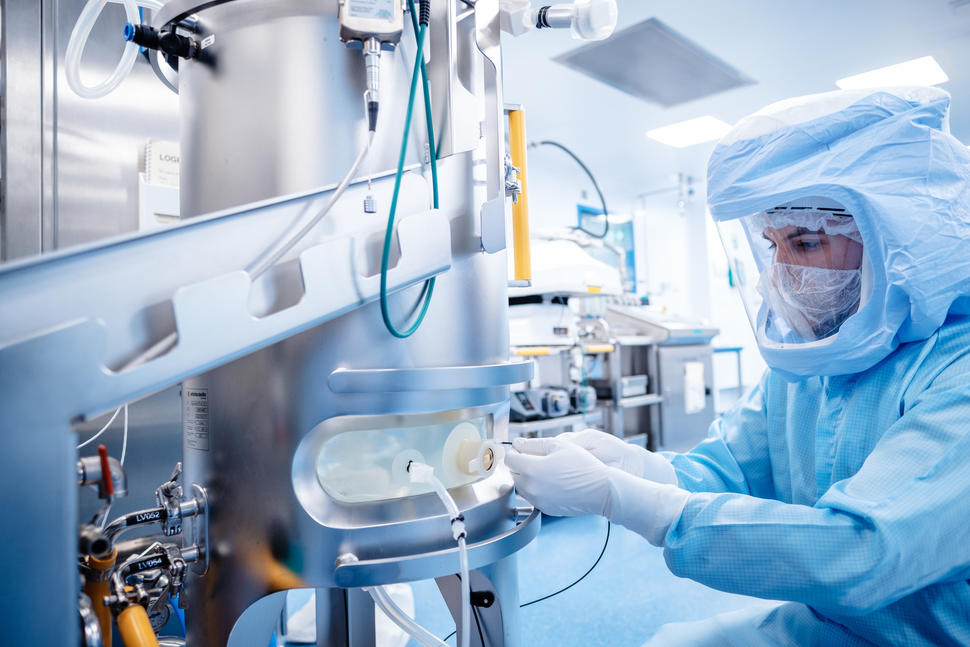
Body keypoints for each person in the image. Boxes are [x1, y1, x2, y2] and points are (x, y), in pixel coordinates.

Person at [505, 86, 970, 646]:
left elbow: (861, 552)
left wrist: (623, 499)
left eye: (804, 241)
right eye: (772, 245)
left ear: (900, 235)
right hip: (829, 626)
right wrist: (633, 466)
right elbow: (732, 468)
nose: (780, 273)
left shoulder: (956, 370)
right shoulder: (815, 360)